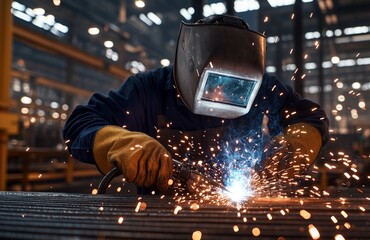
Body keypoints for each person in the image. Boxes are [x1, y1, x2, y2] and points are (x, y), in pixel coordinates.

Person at [63, 14, 329, 192]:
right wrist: (121, 142)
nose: (226, 97)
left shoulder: (264, 88)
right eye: (217, 84)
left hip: (240, 215)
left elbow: (309, 116)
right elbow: (79, 125)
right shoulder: (147, 90)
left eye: (238, 87)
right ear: (192, 69)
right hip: (156, 217)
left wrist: (295, 147)